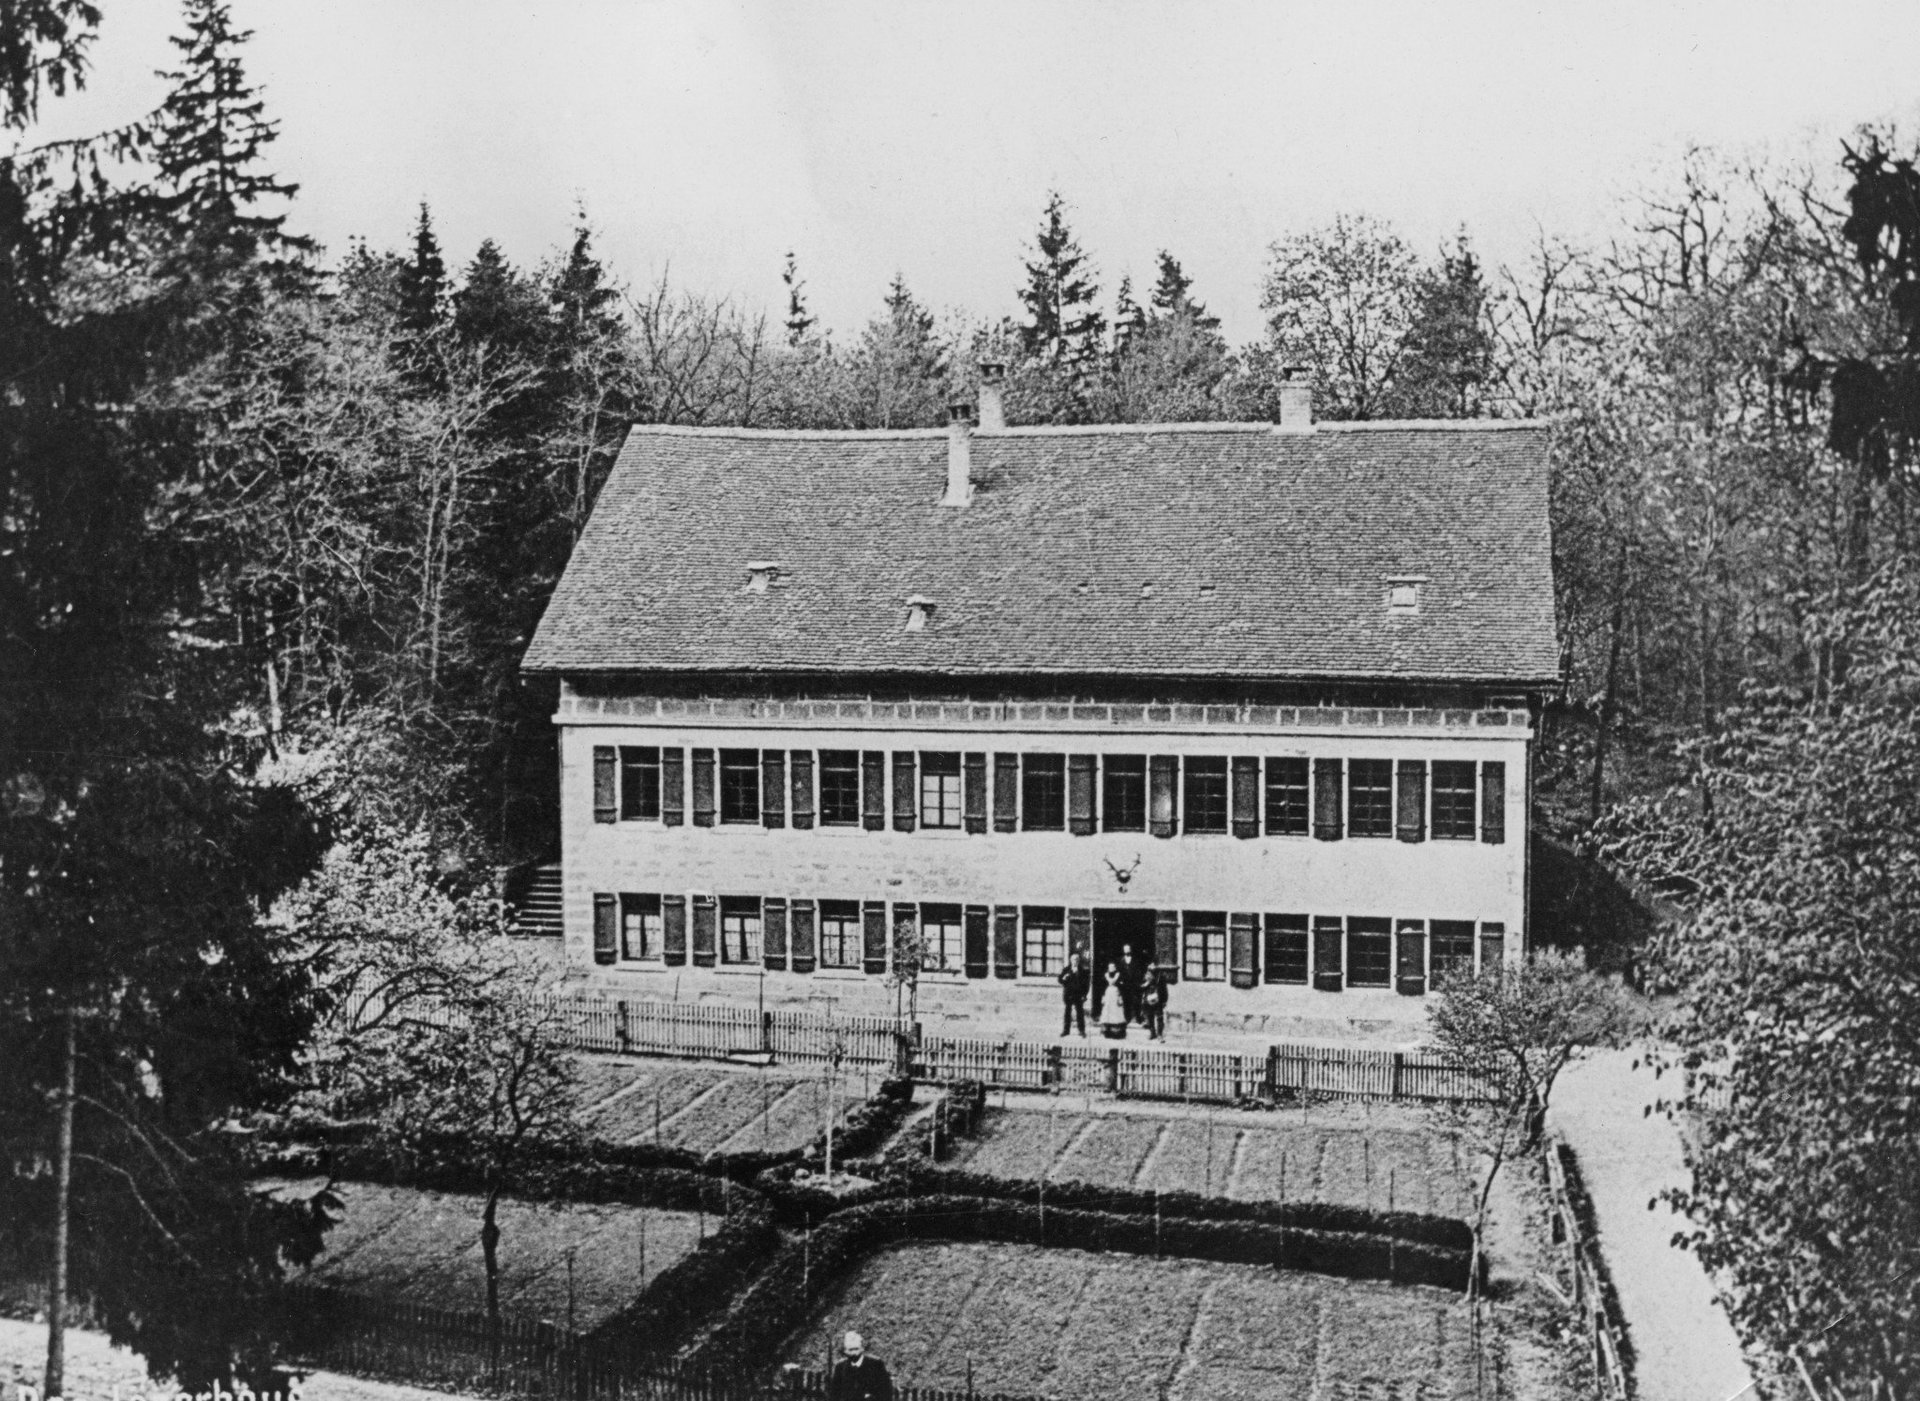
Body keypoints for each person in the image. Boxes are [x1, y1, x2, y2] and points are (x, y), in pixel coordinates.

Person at [827, 1330, 893, 1401]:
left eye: (856, 1349)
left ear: (862, 1348)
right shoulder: (840, 1367)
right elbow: (834, 1394)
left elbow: (886, 1392)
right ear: (845, 1351)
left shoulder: (875, 1364)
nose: (854, 1353)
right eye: (850, 1350)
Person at [1057, 951, 1090, 1037]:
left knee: (1080, 1013)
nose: (1075, 961)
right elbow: (1060, 980)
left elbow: (1086, 985)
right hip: (1068, 994)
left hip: (1078, 995)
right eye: (1073, 959)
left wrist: (1084, 995)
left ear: (1079, 961)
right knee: (1067, 1012)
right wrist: (1064, 978)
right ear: (1070, 960)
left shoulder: (1083, 971)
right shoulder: (1066, 969)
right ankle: (1066, 1030)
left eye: (1077, 959)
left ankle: (1081, 1031)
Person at [1099, 963, 1129, 1039]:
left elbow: (1121, 985)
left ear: (1115, 968)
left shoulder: (1118, 975)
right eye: (1110, 967)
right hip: (1108, 994)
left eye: (1113, 967)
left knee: (1116, 1012)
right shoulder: (1106, 975)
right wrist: (1103, 996)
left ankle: (1117, 1033)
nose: (1111, 968)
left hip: (1116, 993)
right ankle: (1107, 1031)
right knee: (1107, 1011)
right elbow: (1103, 985)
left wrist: (1120, 994)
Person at [1139, 960, 1167, 1040]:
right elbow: (1141, 987)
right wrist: (1146, 984)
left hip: (1159, 999)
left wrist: (1164, 1000)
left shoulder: (1161, 976)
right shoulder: (1146, 976)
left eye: (1154, 965)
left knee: (1159, 1017)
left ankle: (1160, 1034)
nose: (1152, 967)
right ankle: (1152, 1032)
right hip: (1148, 998)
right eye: (1151, 965)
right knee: (1149, 1016)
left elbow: (1164, 989)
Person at [1118, 942, 1144, 1023]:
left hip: (1134, 984)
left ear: (1130, 950)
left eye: (1128, 949)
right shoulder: (1121, 961)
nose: (1127, 951)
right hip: (1125, 984)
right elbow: (1119, 971)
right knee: (1126, 1001)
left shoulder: (1135, 960)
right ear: (1123, 950)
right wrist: (1120, 980)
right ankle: (1127, 1018)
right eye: (1125, 949)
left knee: (1136, 1001)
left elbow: (1139, 971)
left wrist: (1137, 981)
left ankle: (1137, 1018)